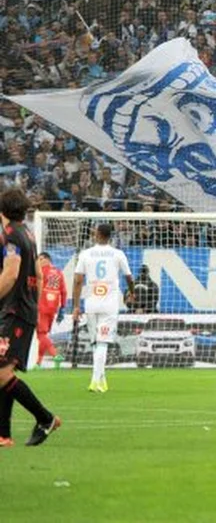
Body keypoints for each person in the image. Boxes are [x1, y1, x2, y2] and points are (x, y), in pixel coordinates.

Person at [0, 188, 61, 447]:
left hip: (14, 311)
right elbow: (37, 269)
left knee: (2, 372)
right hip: (21, 309)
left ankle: (45, 418)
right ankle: (4, 435)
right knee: (4, 372)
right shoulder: (27, 233)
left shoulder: (11, 235)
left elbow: (11, 273)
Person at [71, 224, 133, 393]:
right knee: (102, 343)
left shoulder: (85, 254)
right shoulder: (118, 254)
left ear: (97, 234)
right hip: (109, 305)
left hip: (91, 303)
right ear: (110, 236)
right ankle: (97, 379)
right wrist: (131, 293)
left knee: (95, 343)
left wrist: (76, 306)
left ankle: (98, 380)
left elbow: (77, 281)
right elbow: (129, 277)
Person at [35, 253, 65, 365]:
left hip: (41, 307)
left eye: (41, 259)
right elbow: (64, 291)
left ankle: (55, 355)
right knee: (44, 335)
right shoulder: (59, 272)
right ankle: (38, 363)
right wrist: (62, 308)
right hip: (53, 307)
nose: (39, 261)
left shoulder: (41, 272)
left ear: (48, 260)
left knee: (40, 335)